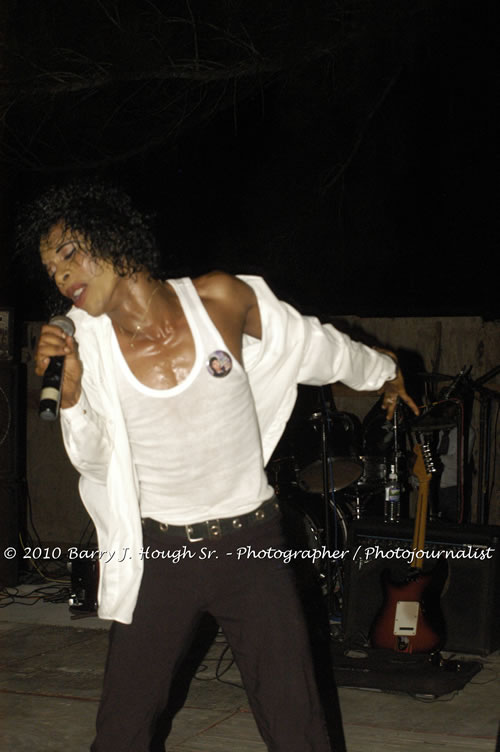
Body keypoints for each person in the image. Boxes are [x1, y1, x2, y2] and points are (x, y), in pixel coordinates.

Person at [20, 181, 419, 752]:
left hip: (249, 545)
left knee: (297, 723)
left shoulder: (221, 300)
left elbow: (318, 347)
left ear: (113, 238)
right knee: (121, 729)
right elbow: (94, 460)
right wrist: (74, 397)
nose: (61, 277)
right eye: (51, 270)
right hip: (161, 554)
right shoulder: (84, 343)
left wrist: (385, 370)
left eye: (68, 254)